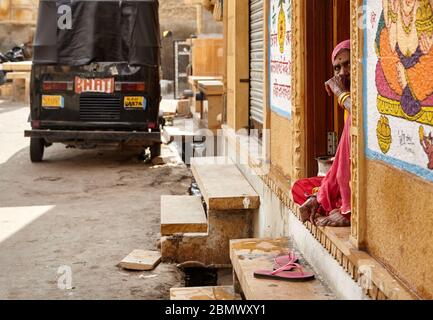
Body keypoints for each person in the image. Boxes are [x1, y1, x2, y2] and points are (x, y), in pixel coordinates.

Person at [292, 39, 352, 227]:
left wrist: (341, 93)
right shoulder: (348, 105)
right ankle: (333, 202)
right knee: (299, 188)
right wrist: (318, 197)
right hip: (343, 180)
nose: (342, 73)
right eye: (337, 68)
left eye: (348, 64)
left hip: (360, 187)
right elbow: (342, 158)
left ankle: (347, 209)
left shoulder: (358, 101)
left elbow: (359, 117)